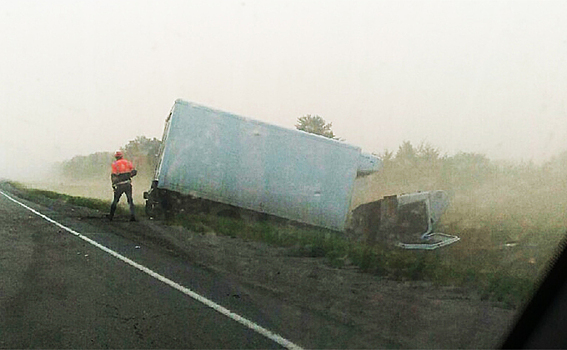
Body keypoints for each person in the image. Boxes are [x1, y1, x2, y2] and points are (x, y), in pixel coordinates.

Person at [108, 150, 137, 221]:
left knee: (115, 200)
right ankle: (133, 216)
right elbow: (134, 171)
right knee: (130, 200)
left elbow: (113, 176)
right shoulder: (128, 162)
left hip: (119, 185)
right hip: (127, 184)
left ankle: (111, 216)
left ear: (116, 157)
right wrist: (129, 176)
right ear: (122, 156)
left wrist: (113, 185)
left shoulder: (115, 164)